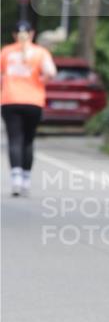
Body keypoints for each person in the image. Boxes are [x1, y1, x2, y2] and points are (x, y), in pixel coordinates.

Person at [1, 20, 57, 196]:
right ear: (32, 34)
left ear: (14, 35)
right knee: (28, 140)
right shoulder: (41, 53)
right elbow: (51, 73)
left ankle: (16, 179)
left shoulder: (7, 52)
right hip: (34, 101)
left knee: (14, 139)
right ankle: (26, 179)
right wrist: (41, 81)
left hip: (11, 100)